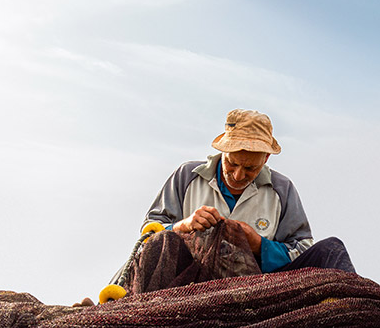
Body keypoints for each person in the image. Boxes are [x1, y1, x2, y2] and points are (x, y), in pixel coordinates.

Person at [132, 108, 354, 289]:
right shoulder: (187, 176)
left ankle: (353, 319)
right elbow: (148, 234)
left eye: (250, 168)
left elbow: (303, 247)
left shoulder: (282, 189)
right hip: (191, 282)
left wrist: (259, 246)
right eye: (232, 163)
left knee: (331, 250)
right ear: (224, 151)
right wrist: (184, 225)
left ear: (266, 158)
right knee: (163, 242)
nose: (238, 175)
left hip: (258, 288)